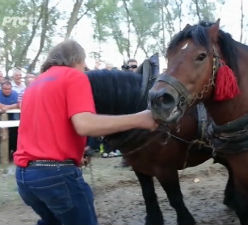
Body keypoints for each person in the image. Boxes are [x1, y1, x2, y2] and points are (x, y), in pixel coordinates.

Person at [13, 39, 157, 225]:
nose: (85, 68)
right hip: (56, 176)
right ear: (77, 60)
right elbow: (85, 125)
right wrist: (140, 119)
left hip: (25, 178)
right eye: (84, 64)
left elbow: (45, 125)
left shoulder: (35, 84)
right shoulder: (74, 76)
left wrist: (73, 152)